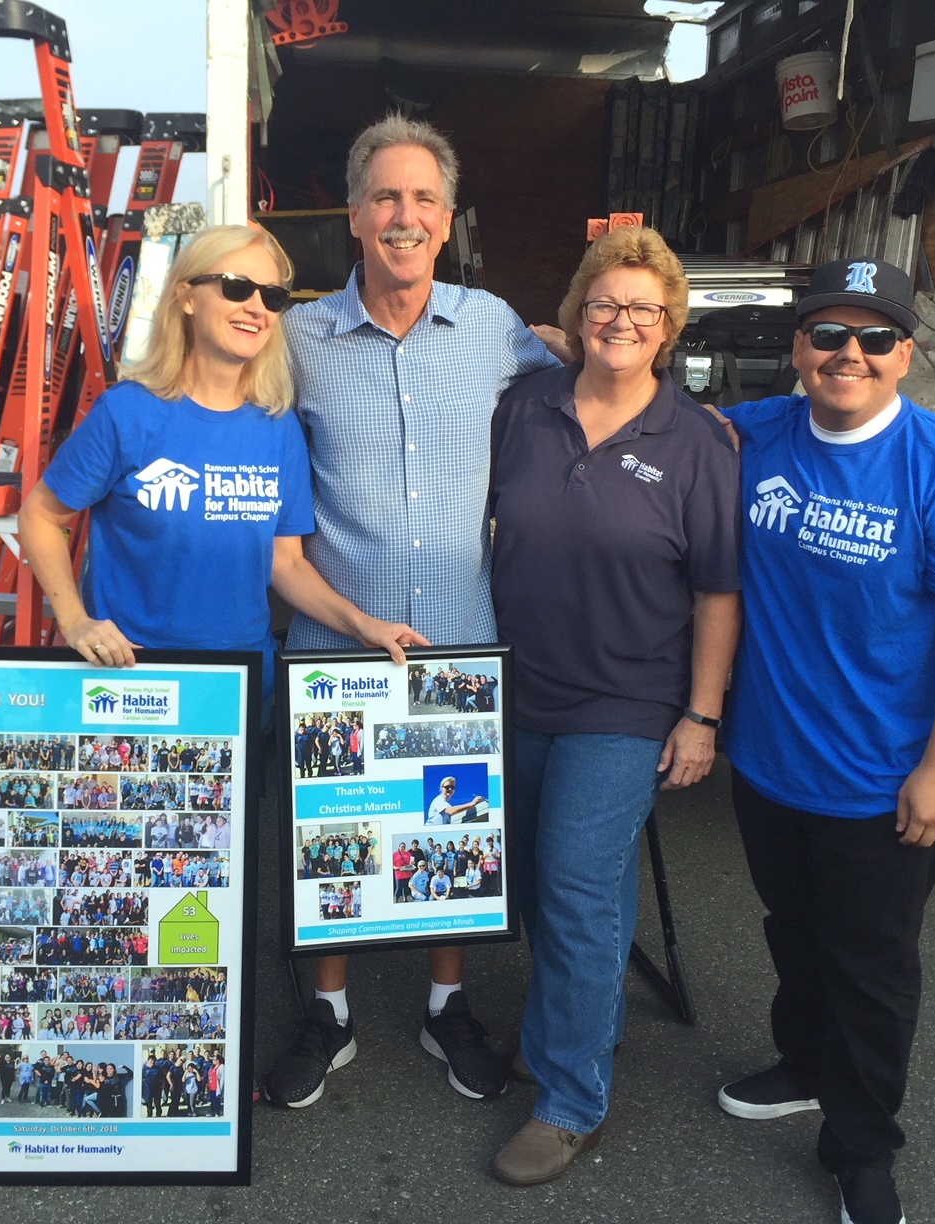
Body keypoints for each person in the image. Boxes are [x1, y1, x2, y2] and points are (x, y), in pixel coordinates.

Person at [264, 113, 567, 1110]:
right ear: (354, 216)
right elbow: (218, 400)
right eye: (386, 197)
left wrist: (710, 438)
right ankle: (331, 1017)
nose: (404, 216)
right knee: (338, 841)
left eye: (423, 199)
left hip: (457, 639)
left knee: (451, 837)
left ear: (448, 221)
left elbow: (593, 387)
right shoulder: (299, 337)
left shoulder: (491, 328)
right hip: (335, 640)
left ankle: (446, 1007)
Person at [712, 257, 935, 1224]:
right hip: (768, 762)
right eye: (828, 335)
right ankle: (803, 1064)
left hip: (882, 783)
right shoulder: (757, 432)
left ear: (905, 354)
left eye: (873, 337)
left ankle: (862, 1150)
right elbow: (661, 421)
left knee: (871, 973)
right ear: (798, 350)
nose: (849, 354)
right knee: (792, 935)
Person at [487, 226, 742, 1185]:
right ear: (577, 315)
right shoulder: (526, 406)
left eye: (642, 308)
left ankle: (569, 1100)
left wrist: (701, 715)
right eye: (604, 303)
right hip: (515, 690)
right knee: (539, 882)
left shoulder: (698, 444)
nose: (620, 320)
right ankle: (574, 1025)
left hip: (628, 701)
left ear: (668, 326)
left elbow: (719, 591)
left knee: (579, 888)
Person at [17, 224, 428, 713]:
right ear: (187, 296)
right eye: (237, 287)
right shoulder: (127, 414)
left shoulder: (277, 427)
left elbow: (286, 562)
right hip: (136, 688)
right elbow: (41, 516)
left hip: (244, 691)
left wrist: (365, 626)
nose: (257, 307)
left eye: (272, 296)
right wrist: (74, 619)